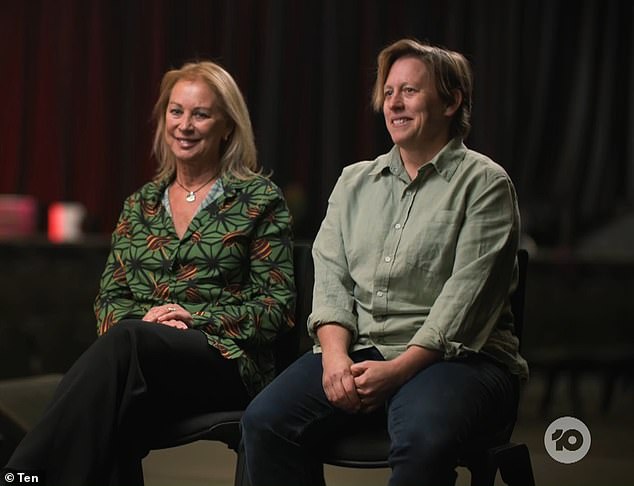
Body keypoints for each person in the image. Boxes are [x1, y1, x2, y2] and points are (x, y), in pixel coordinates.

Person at [241, 38, 529, 486]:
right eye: (389, 92)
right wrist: (334, 359)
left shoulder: (485, 184)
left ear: (452, 101)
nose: (393, 103)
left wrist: (397, 371)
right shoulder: (355, 181)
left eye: (410, 91)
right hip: (358, 351)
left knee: (421, 437)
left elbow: (464, 302)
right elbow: (331, 278)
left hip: (459, 362)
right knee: (265, 421)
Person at [2, 60, 295, 486]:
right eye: (176, 112)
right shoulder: (140, 204)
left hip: (224, 364)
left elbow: (276, 308)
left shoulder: (258, 199)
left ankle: (19, 474)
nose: (185, 125)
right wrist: (151, 323)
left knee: (125, 345)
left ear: (227, 127)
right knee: (111, 404)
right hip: (141, 363)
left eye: (201, 114)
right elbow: (109, 300)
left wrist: (194, 318)